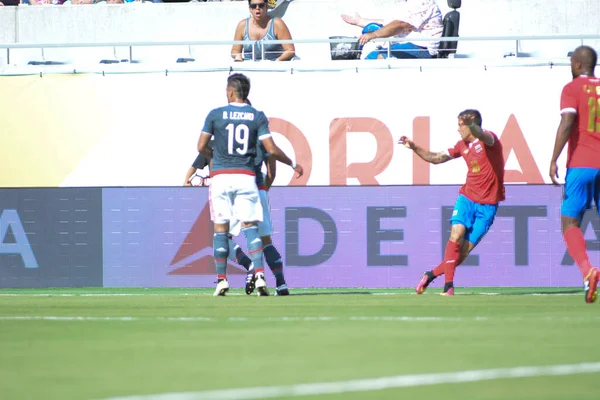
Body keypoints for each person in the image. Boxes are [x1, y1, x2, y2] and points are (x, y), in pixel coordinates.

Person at [197, 73, 302, 296]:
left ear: (230, 91)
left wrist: (215, 159)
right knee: (261, 237)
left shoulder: (217, 117)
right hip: (253, 185)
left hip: (225, 179)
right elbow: (271, 169)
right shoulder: (257, 122)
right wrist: (267, 185)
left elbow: (201, 148)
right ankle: (274, 280)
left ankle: (228, 277)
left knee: (221, 233)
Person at [399, 110, 505, 296]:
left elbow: (481, 134)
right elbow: (437, 158)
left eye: (460, 125)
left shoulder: (490, 140)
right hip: (467, 197)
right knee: (456, 233)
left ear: (471, 124)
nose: (458, 129)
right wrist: (414, 147)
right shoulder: (461, 146)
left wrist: (472, 125)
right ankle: (448, 286)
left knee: (461, 254)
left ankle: (430, 275)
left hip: (488, 205)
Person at [549, 46, 600, 304]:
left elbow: (568, 122)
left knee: (570, 223)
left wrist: (554, 158)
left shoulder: (571, 89)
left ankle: (587, 271)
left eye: (571, 61)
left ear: (579, 64)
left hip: (581, 163)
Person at [341, 0, 442, 59]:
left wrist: (374, 35)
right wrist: (360, 21)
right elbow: (388, 24)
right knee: (372, 56)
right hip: (408, 45)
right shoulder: (406, 3)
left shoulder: (422, 2)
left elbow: (400, 24)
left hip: (422, 48)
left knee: (380, 58)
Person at [231, 0, 296, 61]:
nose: (257, 8)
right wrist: (238, 56)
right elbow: (235, 50)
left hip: (274, 68)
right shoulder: (242, 25)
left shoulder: (277, 24)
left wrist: (277, 61)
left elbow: (290, 50)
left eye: (261, 5)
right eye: (253, 6)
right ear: (250, 9)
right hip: (249, 68)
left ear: (267, 7)